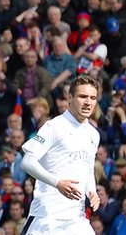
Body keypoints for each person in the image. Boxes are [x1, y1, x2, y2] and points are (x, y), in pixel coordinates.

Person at [20, 75, 101, 234]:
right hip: (47, 216)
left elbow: (88, 168)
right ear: (69, 98)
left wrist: (92, 191)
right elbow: (27, 162)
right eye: (83, 96)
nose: (88, 102)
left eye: (93, 98)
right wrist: (57, 183)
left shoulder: (93, 134)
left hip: (76, 218)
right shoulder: (54, 126)